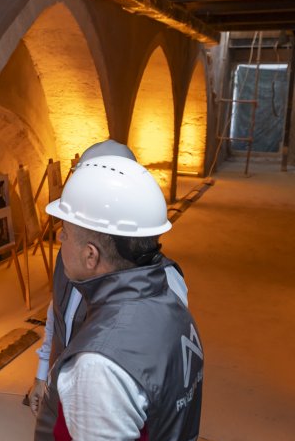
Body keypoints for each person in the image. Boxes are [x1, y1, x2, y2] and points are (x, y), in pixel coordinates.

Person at [28, 155, 204, 441]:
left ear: (90, 256)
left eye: (64, 234)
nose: (60, 243)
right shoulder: (170, 307)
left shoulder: (102, 361)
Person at [27, 140, 188, 416]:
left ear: (92, 255)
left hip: (102, 408)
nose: (60, 236)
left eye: (66, 229)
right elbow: (57, 316)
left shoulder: (166, 286)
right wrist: (44, 374)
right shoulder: (68, 257)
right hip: (66, 391)